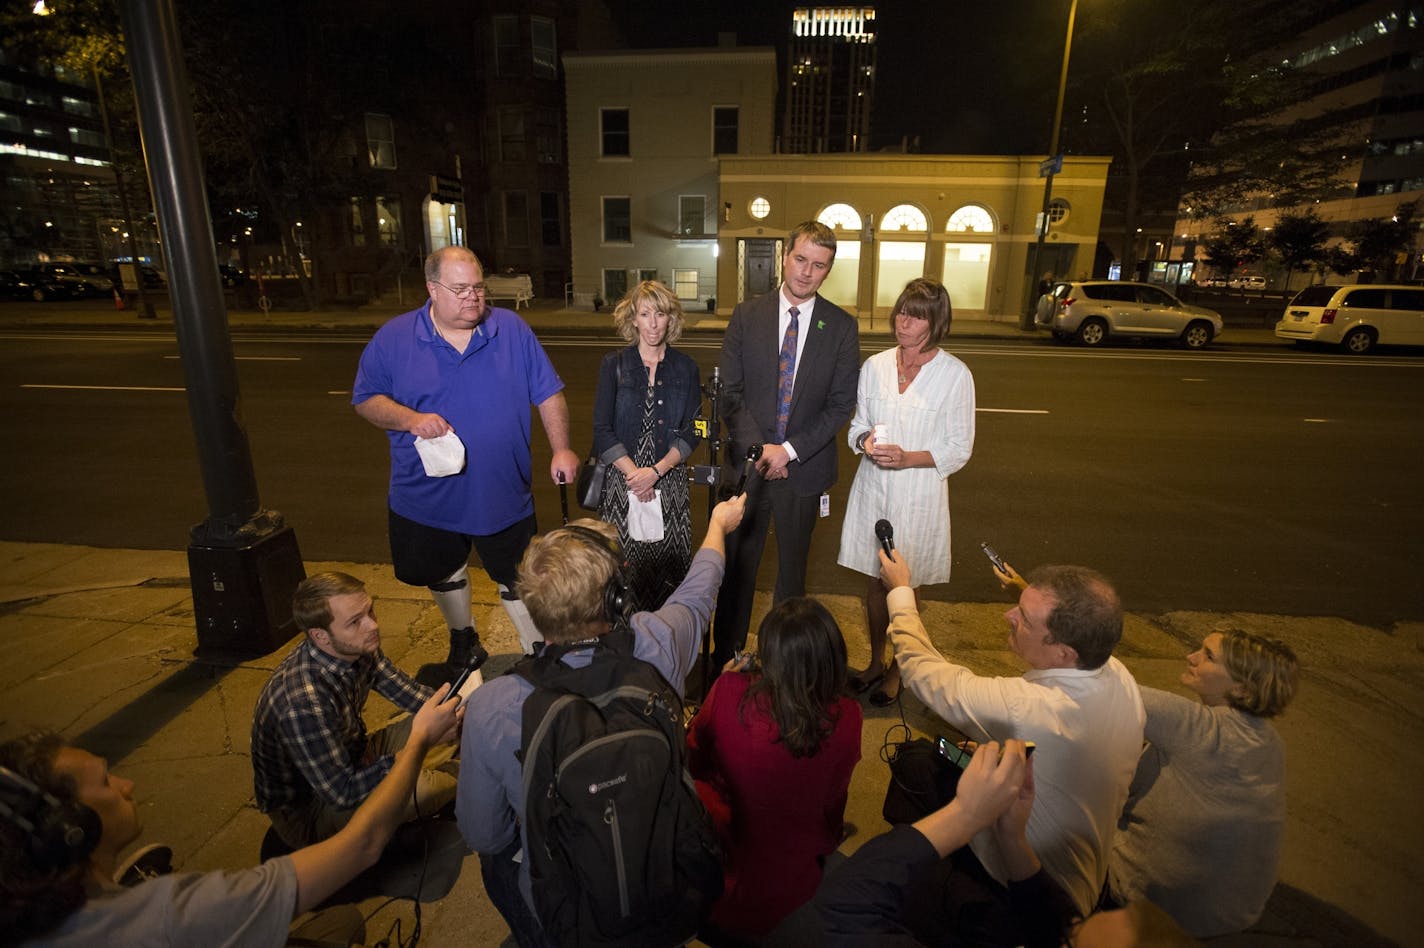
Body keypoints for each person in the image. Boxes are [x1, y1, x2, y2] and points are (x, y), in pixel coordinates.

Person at [456, 495, 747, 947]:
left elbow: (485, 834)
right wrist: (717, 525)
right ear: (615, 600)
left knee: (496, 863)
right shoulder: (657, 642)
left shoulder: (491, 706)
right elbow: (701, 589)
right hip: (662, 880)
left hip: (569, 914)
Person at [0, 690, 461, 945]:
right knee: (342, 923)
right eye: (104, 782)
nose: (126, 785)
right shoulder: (172, 914)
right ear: (68, 831)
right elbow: (363, 844)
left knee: (338, 924)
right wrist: (417, 742)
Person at [353, 245, 580, 681]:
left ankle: (537, 652)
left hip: (502, 493)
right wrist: (411, 420)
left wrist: (562, 448)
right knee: (441, 569)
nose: (473, 298)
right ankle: (464, 642)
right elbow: (365, 400)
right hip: (426, 496)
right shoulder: (395, 338)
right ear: (432, 290)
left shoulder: (510, 329)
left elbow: (548, 392)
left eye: (478, 287)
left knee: (518, 577)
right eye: (460, 289)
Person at [880, 548, 1145, 917]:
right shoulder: (1117, 674)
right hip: (1084, 873)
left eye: (1024, 618)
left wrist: (901, 591)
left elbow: (925, 674)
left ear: (1065, 653)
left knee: (917, 767)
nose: (1009, 616)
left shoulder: (1030, 707)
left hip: (1027, 888)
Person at [712, 220, 860, 674]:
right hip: (747, 467)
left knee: (792, 579)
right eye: (801, 259)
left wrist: (789, 451)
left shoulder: (839, 326)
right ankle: (727, 666)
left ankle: (783, 673)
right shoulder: (746, 315)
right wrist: (763, 451)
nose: (806, 272)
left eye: (819, 265)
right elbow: (729, 393)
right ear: (784, 256)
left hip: (804, 470)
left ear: (828, 270)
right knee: (738, 573)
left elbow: (839, 406)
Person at [1106, 628, 1300, 937]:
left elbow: (1100, 684)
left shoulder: (1194, 727)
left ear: (1241, 689)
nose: (1191, 657)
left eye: (1208, 656)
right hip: (1234, 915)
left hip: (1156, 911)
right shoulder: (1270, 742)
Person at [687, 597, 863, 939]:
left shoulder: (729, 692)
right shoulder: (848, 717)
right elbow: (832, 806)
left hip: (718, 885)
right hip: (795, 896)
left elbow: (693, 756)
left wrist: (724, 683)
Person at [837, 277, 975, 706]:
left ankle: (901, 668)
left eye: (915, 316)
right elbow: (857, 426)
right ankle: (876, 661)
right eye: (900, 311)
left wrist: (908, 457)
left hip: (918, 495)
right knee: (874, 583)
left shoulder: (954, 376)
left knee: (905, 585)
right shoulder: (875, 366)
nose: (902, 321)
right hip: (874, 489)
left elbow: (959, 447)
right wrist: (865, 444)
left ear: (935, 323)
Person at [251, 572, 461, 850]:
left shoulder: (357, 646)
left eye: (370, 610)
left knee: (450, 720)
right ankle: (468, 775)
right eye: (355, 621)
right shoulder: (302, 702)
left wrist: (463, 709)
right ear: (320, 636)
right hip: (313, 810)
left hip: (356, 756)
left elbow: (410, 695)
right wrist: (415, 751)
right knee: (426, 788)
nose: (372, 625)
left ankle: (454, 768)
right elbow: (342, 792)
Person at [591, 279, 703, 611]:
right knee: (620, 571)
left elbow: (693, 430)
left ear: (672, 319)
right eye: (645, 314)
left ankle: (666, 642)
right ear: (633, 319)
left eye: (661, 314)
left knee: (668, 572)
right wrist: (635, 475)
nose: (653, 324)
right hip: (621, 481)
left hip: (668, 481)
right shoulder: (614, 365)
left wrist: (655, 472)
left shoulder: (686, 367)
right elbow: (601, 429)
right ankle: (622, 646)